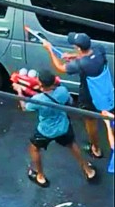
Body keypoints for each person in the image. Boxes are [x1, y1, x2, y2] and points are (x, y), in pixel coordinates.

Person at [41, 32, 114, 160]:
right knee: (110, 121)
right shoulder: (99, 50)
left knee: (91, 122)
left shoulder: (82, 64)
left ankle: (95, 149)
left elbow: (60, 67)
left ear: (79, 48)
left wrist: (49, 50)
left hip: (89, 97)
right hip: (107, 92)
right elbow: (86, 57)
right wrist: (72, 56)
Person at [22, 68, 98, 186]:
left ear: (40, 84)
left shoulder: (37, 99)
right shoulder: (62, 90)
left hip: (45, 131)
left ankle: (40, 176)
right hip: (63, 127)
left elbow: (24, 107)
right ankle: (88, 170)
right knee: (72, 145)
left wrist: (19, 92)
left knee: (34, 149)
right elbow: (70, 102)